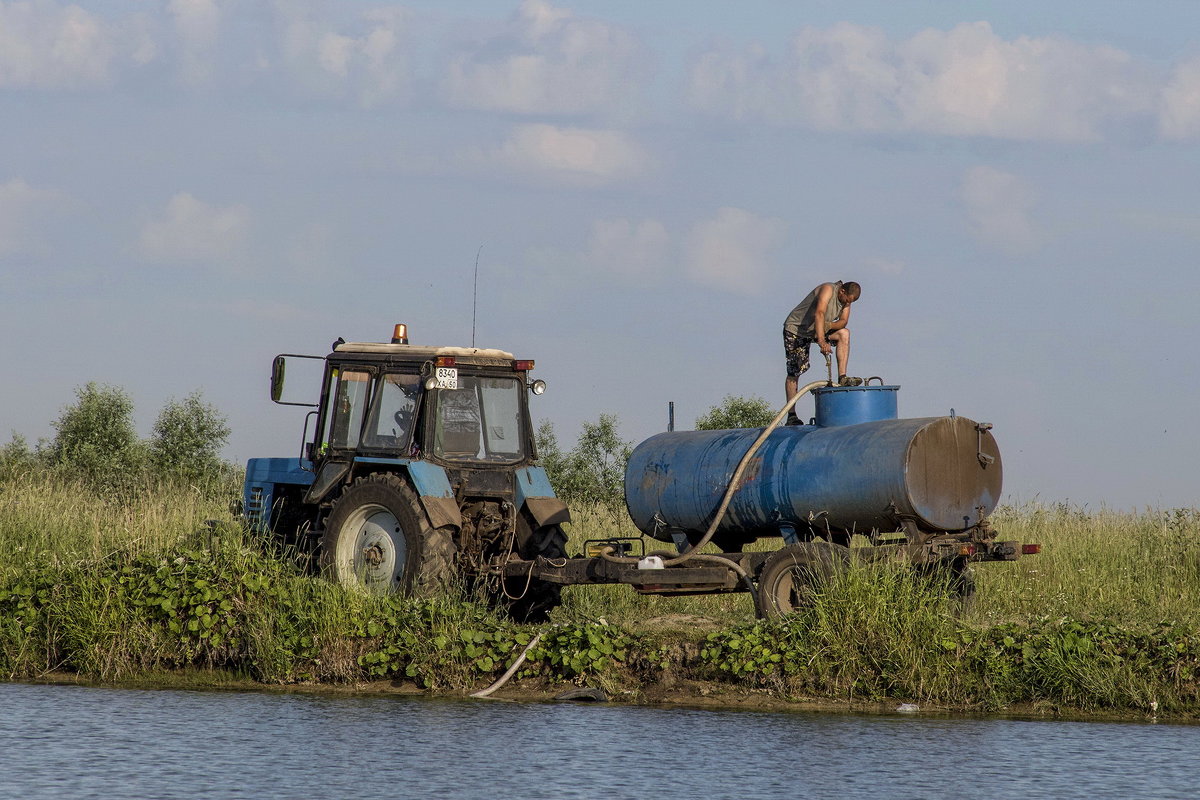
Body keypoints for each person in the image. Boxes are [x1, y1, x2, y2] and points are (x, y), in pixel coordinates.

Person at [782, 280, 861, 406]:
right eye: (846, 300)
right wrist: (822, 341)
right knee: (794, 371)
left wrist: (829, 325)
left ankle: (842, 377)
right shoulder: (828, 289)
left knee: (844, 333)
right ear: (842, 291)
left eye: (850, 302)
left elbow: (843, 321)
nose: (847, 304)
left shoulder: (847, 300)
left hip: (818, 329)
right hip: (797, 330)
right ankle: (792, 415)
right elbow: (819, 314)